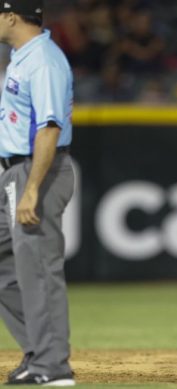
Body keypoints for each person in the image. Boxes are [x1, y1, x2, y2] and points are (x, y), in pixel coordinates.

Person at [0, 0, 75, 386]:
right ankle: (38, 349)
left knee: (39, 269)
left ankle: (52, 366)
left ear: (12, 16)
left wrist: (31, 189)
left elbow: (49, 128)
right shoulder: (21, 56)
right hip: (15, 171)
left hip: (37, 171)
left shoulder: (43, 59)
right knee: (7, 265)